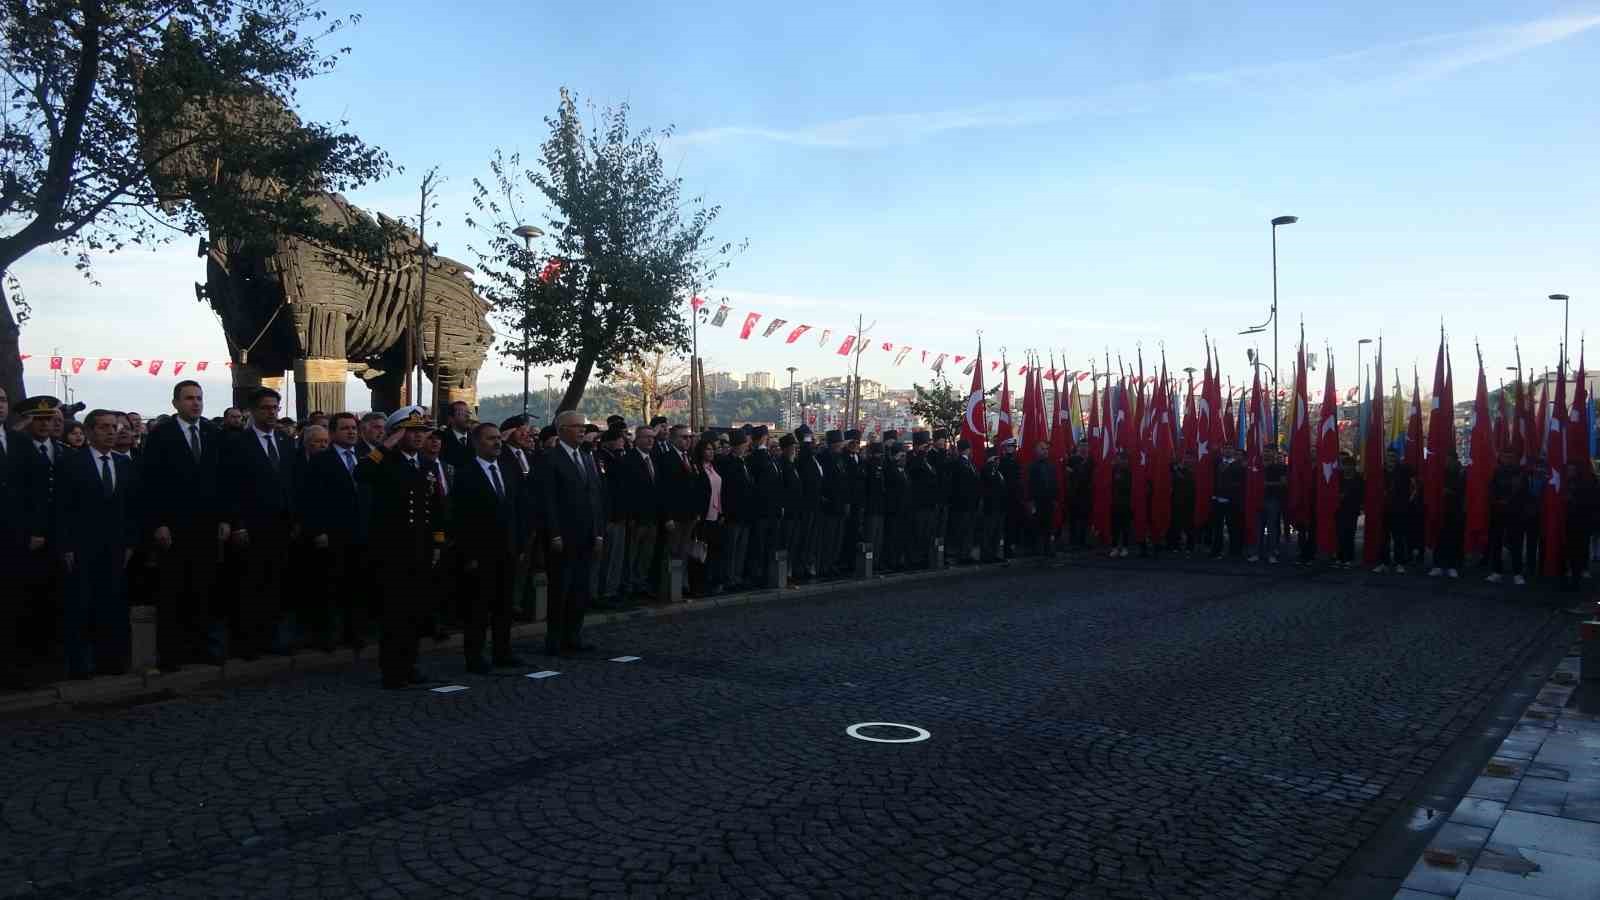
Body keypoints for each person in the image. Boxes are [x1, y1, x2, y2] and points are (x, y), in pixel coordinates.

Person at [140, 381, 227, 670]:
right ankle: (172, 654)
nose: (196, 403)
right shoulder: (161, 435)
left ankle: (201, 647)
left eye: (200, 398)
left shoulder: (213, 433)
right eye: (189, 398)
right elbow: (150, 484)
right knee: (172, 591)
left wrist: (225, 518)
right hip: (174, 528)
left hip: (206, 527)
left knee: (203, 590)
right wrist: (159, 523)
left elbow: (223, 481)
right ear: (176, 402)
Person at [356, 406, 443, 688]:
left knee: (415, 611)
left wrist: (437, 542)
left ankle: (410, 663)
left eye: (422, 432)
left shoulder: (426, 464)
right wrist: (386, 444)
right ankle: (393, 669)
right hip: (392, 549)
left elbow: (437, 507)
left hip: (419, 548)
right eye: (411, 432)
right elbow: (362, 472)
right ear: (398, 433)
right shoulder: (386, 461)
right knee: (395, 613)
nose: (419, 437)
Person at [55, 409, 140, 678]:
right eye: (103, 427)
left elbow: (130, 507)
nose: (111, 432)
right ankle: (79, 665)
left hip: (115, 547)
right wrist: (65, 545)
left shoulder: (124, 463)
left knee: (112, 604)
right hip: (82, 546)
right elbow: (61, 507)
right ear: (90, 431)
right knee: (81, 606)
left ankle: (111, 662)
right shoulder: (71, 461)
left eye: (113, 427)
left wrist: (129, 542)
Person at [222, 387, 295, 659]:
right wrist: (237, 523)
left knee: (275, 584)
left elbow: (291, 482)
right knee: (249, 585)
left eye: (275, 408)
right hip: (251, 526)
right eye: (266, 408)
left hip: (280, 526)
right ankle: (246, 643)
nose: (272, 413)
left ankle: (272, 638)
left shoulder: (286, 442)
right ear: (252, 411)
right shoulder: (237, 443)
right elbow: (231, 487)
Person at [452, 422, 528, 672]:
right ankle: (474, 657)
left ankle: (502, 652)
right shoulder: (465, 474)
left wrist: (519, 544)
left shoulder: (508, 469)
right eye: (490, 439)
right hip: (480, 553)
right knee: (478, 608)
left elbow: (517, 509)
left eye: (498, 438)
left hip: (507, 550)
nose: (497, 442)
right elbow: (461, 519)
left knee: (504, 606)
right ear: (476, 442)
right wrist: (469, 554)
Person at [301, 412, 372, 651]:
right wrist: (318, 530)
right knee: (331, 586)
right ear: (332, 433)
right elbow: (312, 499)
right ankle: (328, 635)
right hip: (333, 533)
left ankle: (355, 633)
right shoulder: (322, 460)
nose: (351, 432)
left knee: (358, 585)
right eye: (344, 428)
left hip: (360, 532)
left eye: (353, 428)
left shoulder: (364, 457)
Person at [540, 411, 605, 656]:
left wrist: (598, 532)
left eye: (583, 426)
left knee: (580, 588)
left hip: (587, 535)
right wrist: (554, 533)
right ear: (562, 430)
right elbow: (549, 500)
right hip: (564, 536)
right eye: (576, 426)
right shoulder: (550, 458)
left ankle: (574, 635)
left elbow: (595, 498)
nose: (582, 430)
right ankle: (554, 639)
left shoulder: (587, 457)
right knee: (560, 589)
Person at [618, 425, 662, 600]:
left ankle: (640, 583)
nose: (650, 440)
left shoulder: (654, 459)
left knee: (646, 554)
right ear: (637, 439)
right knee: (631, 554)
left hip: (652, 517)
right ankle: (628, 585)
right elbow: (626, 491)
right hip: (636, 518)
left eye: (653, 437)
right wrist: (631, 516)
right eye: (646, 437)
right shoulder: (628, 459)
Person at [715, 429, 754, 592]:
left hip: (745, 513)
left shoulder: (743, 462)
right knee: (731, 548)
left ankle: (737, 576)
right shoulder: (728, 462)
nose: (746, 447)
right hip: (733, 513)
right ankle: (729, 577)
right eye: (744, 444)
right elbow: (728, 490)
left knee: (741, 548)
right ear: (738, 445)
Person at [1485, 448, 1529, 584]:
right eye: (1505, 456)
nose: (1508, 459)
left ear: (1514, 458)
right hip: (1498, 512)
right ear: (1501, 458)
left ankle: (1518, 573)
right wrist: (1498, 500)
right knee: (1496, 543)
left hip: (1515, 513)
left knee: (1516, 543)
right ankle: (1496, 571)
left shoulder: (1521, 473)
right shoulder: (1496, 472)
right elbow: (1491, 489)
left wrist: (1511, 500)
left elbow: (1524, 492)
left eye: (1510, 457)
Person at [747, 426, 783, 584]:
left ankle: (765, 572)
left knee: (767, 543)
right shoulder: (760, 456)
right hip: (764, 509)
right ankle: (759, 574)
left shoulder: (764, 456)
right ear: (764, 438)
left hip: (770, 508)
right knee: (761, 544)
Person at [689, 436, 723, 596]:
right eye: (708, 449)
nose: (711, 452)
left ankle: (710, 581)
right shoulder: (697, 468)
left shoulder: (714, 467)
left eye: (712, 449)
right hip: (703, 514)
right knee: (699, 551)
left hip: (716, 513)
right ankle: (697, 584)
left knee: (712, 551)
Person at [1375, 449, 1416, 574]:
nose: (1391, 458)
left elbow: (1414, 486)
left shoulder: (1404, 470)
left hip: (1399, 509)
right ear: (1385, 458)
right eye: (1389, 456)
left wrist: (1408, 501)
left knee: (1399, 537)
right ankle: (1384, 563)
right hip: (1384, 509)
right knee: (1383, 537)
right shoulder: (1381, 471)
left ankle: (1399, 563)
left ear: (1397, 457)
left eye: (1393, 456)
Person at [1430, 450, 1466, 578]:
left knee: (1454, 539)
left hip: (1455, 511)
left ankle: (1452, 566)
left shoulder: (1462, 473)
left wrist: (1450, 491)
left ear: (1455, 461)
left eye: (1450, 460)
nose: (1448, 463)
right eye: (1446, 460)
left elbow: (1463, 491)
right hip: (1442, 510)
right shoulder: (1442, 473)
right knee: (1439, 538)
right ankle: (1437, 565)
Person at [946, 438, 981, 564]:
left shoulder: (969, 463)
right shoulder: (959, 463)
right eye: (970, 448)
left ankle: (966, 553)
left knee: (969, 530)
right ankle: (962, 555)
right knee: (963, 529)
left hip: (971, 503)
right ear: (966, 449)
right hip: (963, 503)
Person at [1212, 445, 1245, 559]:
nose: (1227, 450)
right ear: (1222, 450)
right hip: (1218, 500)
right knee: (1217, 528)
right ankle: (1216, 551)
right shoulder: (1217, 463)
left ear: (1233, 451)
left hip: (1232, 501)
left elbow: (1241, 483)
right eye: (1225, 448)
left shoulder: (1239, 465)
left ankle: (1235, 551)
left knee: (1233, 527)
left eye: (1230, 448)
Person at [1257, 447, 1288, 564]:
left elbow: (1284, 483)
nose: (1266, 453)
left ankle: (1271, 553)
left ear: (1274, 453)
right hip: (1258, 500)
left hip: (1273, 500)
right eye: (1265, 451)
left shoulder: (1279, 467)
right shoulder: (1258, 466)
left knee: (1272, 529)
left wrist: (1267, 484)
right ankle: (1257, 552)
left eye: (1269, 451)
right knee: (1258, 528)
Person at [1027, 440, 1058, 556]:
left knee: (1049, 526)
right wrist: (1031, 502)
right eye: (1042, 449)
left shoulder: (1051, 466)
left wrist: (1055, 499)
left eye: (1046, 449)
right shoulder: (1032, 467)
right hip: (1037, 502)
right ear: (1037, 451)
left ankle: (1048, 549)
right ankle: (1038, 550)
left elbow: (1054, 483)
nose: (1045, 451)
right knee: (1038, 526)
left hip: (1049, 501)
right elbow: (1030, 485)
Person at [1336, 455, 1363, 568]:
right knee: (1340, 534)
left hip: (1352, 510)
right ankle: (1340, 557)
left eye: (1349, 465)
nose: (1347, 467)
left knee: (1349, 534)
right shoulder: (1339, 478)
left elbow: (1360, 494)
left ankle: (1349, 558)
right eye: (1345, 465)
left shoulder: (1358, 478)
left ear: (1353, 466)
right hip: (1340, 510)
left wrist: (1347, 496)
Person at [1110, 449, 1133, 557]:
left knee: (1125, 528)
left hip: (1126, 504)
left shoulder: (1130, 472)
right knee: (1115, 527)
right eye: (1119, 459)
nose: (1121, 461)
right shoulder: (1114, 470)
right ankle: (1114, 547)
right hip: (1115, 503)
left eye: (1123, 459)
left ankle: (1125, 547)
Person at [439, 401, 474, 468]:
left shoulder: (476, 439)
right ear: (451, 418)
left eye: (468, 413)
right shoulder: (441, 438)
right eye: (462, 413)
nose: (467, 416)